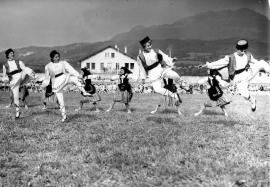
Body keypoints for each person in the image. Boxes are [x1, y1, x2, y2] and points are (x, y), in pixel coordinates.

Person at [200, 39, 270, 112]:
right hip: (238, 78)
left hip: (248, 73)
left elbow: (254, 61)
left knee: (261, 63)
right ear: (238, 49)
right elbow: (218, 63)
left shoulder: (248, 54)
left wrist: (263, 67)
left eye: (244, 50)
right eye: (241, 50)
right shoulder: (230, 57)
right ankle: (253, 101)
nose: (243, 51)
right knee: (245, 95)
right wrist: (207, 65)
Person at [137, 36, 183, 115]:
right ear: (144, 46)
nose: (150, 47)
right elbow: (141, 68)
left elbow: (165, 57)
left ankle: (180, 83)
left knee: (175, 75)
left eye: (150, 45)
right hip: (152, 73)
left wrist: (172, 60)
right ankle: (174, 95)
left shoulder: (156, 50)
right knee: (157, 89)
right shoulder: (140, 56)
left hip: (161, 68)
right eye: (148, 46)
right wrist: (143, 78)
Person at [42, 50, 91, 122]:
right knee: (61, 101)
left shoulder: (63, 63)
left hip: (64, 77)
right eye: (56, 57)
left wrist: (78, 75)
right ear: (52, 58)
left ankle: (84, 92)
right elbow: (47, 78)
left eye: (58, 56)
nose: (58, 58)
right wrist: (44, 85)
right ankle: (64, 117)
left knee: (74, 79)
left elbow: (71, 69)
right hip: (56, 83)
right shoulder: (48, 66)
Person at [2, 48, 35, 118]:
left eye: (13, 53)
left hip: (20, 76)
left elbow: (24, 69)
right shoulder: (5, 65)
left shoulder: (19, 62)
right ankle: (17, 112)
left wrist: (31, 73)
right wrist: (6, 80)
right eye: (11, 53)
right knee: (16, 97)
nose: (12, 54)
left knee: (26, 69)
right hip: (13, 80)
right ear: (7, 55)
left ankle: (33, 78)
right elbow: (4, 75)